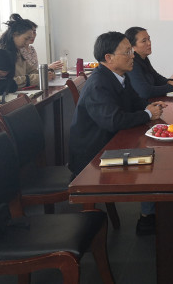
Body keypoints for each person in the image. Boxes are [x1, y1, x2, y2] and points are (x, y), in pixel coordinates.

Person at [68, 32, 167, 235]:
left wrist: (149, 106)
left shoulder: (119, 76)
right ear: (109, 58)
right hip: (94, 156)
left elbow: (134, 101)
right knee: (155, 159)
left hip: (109, 143)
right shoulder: (98, 83)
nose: (132, 56)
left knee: (158, 150)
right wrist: (148, 113)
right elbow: (114, 121)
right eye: (127, 52)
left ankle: (152, 212)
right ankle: (148, 218)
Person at [0, 13, 55, 88]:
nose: (27, 42)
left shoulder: (17, 50)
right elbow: (7, 81)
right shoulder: (1, 52)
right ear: (14, 34)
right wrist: (37, 78)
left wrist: (46, 73)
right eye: (26, 39)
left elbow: (30, 70)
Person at [124, 27, 173, 99]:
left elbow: (156, 78)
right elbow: (144, 92)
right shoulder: (132, 63)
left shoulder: (143, 58)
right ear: (132, 47)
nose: (149, 43)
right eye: (144, 41)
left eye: (149, 39)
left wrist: (169, 82)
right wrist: (172, 87)